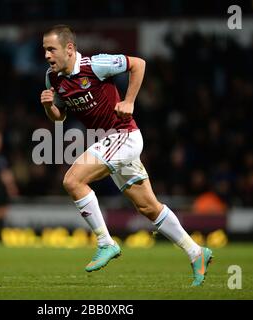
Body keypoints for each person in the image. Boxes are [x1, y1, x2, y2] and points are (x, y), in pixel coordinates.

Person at [40, 25, 213, 286]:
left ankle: (105, 242)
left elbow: (138, 64)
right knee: (148, 207)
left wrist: (129, 100)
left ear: (69, 48)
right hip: (110, 143)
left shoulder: (95, 65)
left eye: (51, 49)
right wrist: (48, 107)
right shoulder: (53, 79)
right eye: (44, 50)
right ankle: (196, 252)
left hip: (123, 136)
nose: (46, 55)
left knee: (72, 181)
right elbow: (60, 116)